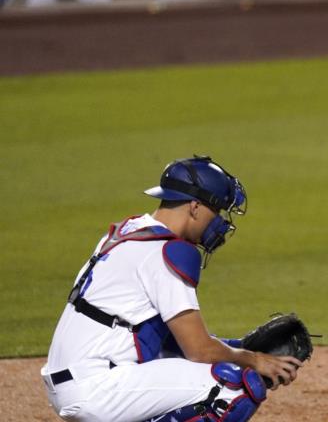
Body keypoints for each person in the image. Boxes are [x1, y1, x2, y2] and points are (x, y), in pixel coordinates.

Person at [40, 156, 302, 421]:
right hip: (98, 390)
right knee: (232, 385)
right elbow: (198, 351)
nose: (221, 223)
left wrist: (236, 348)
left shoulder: (129, 231)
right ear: (196, 207)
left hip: (72, 383)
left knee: (193, 362)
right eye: (218, 211)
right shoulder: (167, 251)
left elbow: (168, 340)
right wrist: (252, 359)